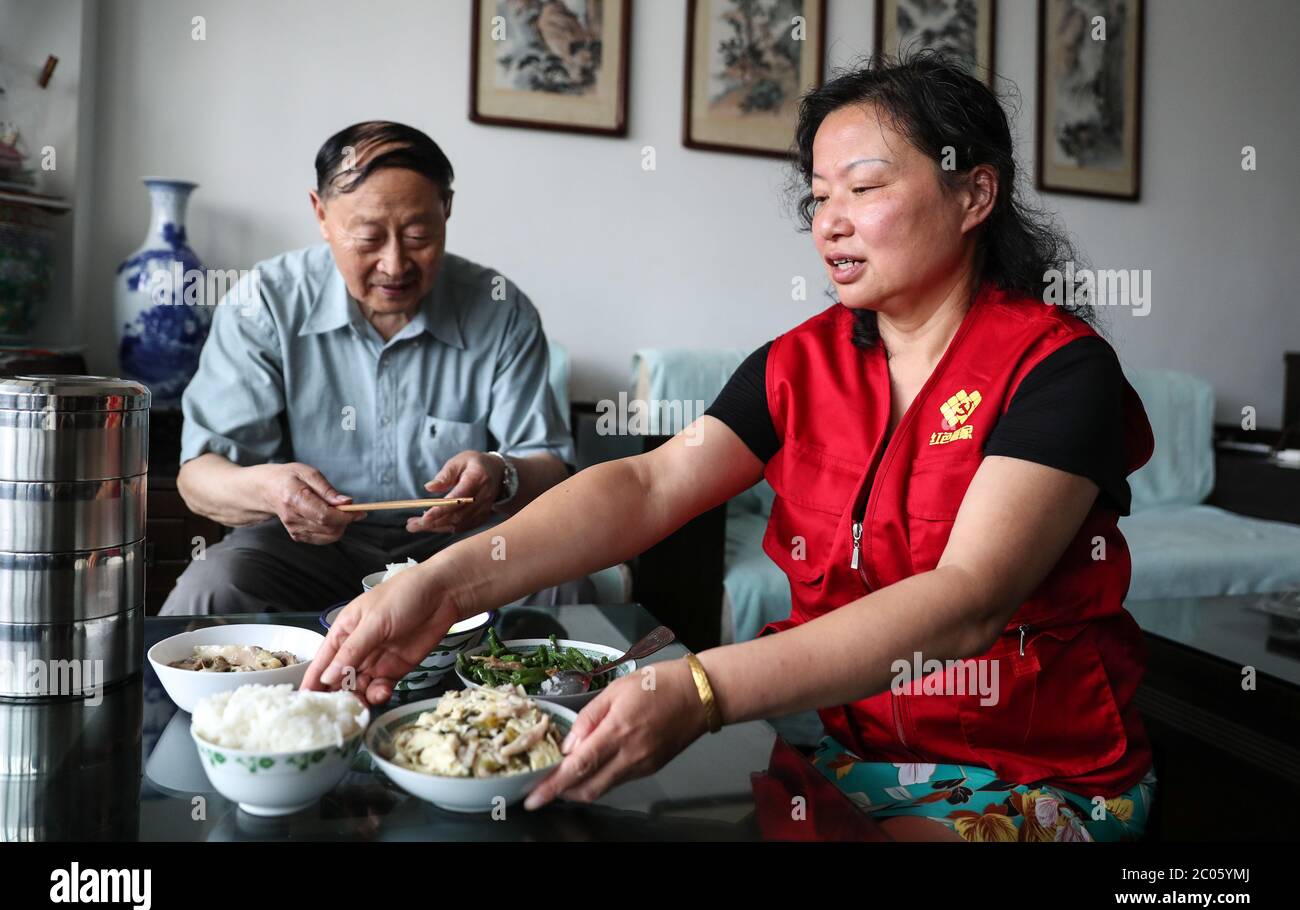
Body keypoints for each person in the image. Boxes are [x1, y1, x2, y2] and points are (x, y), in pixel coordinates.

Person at [304, 56, 1157, 842]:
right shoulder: (804, 362)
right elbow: (649, 484)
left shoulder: (1057, 370)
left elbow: (969, 599)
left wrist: (704, 688)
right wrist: (442, 584)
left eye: (863, 188)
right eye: (819, 197)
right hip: (833, 742)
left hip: (1020, 770)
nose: (831, 224)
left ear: (974, 195)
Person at [161, 121, 588, 615]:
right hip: (305, 552)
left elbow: (553, 468)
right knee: (212, 588)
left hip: (458, 554)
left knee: (566, 587)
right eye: (368, 237)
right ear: (320, 214)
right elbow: (199, 477)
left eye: (418, 235)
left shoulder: (501, 310)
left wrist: (500, 473)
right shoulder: (265, 304)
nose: (394, 264)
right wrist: (272, 490)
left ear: (446, 210)